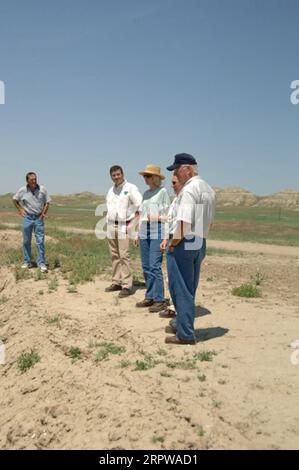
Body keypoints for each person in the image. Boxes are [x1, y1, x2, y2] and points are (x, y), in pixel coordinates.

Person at [164, 153, 216, 345]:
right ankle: (181, 323)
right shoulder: (208, 189)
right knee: (189, 288)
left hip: (185, 242)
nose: (176, 173)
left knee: (180, 289)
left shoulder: (189, 190)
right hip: (200, 241)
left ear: (188, 169)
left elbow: (184, 223)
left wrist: (173, 243)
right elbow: (208, 222)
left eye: (177, 169)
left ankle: (185, 334)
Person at [135, 165, 170, 312]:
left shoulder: (163, 192)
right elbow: (141, 215)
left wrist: (166, 237)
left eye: (148, 176)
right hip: (144, 231)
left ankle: (160, 299)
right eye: (144, 176)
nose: (145, 179)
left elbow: (169, 216)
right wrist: (137, 233)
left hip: (158, 230)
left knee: (155, 266)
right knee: (146, 266)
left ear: (155, 178)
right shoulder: (145, 194)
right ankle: (149, 296)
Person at [105, 165, 142, 297]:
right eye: (114, 175)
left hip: (123, 225)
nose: (116, 177)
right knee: (114, 255)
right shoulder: (110, 191)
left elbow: (139, 205)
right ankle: (117, 281)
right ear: (111, 177)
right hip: (111, 225)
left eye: (118, 174)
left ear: (122, 174)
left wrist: (132, 223)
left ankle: (127, 285)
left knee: (123, 255)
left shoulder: (130, 188)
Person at [13, 172, 51, 272]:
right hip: (27, 218)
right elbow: (15, 199)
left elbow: (47, 202)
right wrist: (20, 209)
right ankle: (27, 262)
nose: (34, 181)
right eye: (32, 180)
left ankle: (41, 263)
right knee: (26, 241)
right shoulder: (23, 190)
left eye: (35, 179)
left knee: (40, 241)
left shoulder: (42, 189)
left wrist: (43, 213)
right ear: (27, 181)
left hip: (39, 218)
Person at [159, 174, 183, 318]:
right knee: (171, 277)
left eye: (174, 182)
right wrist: (165, 239)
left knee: (178, 277)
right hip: (171, 239)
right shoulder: (175, 200)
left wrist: (173, 243)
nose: (172, 185)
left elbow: (182, 224)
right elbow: (170, 221)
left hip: (179, 241)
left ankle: (179, 308)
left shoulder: (185, 199)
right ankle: (175, 305)